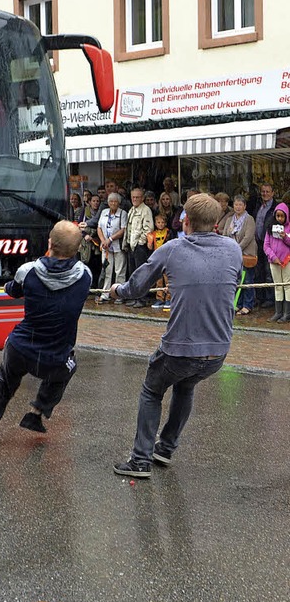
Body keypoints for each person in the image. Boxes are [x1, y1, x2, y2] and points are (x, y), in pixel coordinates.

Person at [109, 193, 242, 478]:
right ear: (216, 222)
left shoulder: (172, 249)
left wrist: (116, 291)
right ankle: (165, 448)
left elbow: (135, 288)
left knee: (151, 390)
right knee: (186, 385)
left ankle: (140, 460)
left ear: (187, 222)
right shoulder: (233, 249)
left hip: (181, 349)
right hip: (218, 351)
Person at [0, 220, 91, 446]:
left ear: (49, 242)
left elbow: (13, 291)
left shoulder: (26, 271)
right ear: (76, 250)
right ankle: (37, 411)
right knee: (69, 365)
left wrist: (9, 286)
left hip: (21, 349)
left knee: (5, 379)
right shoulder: (85, 276)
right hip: (55, 358)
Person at [224, 195, 257, 316]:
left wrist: (237, 248)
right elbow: (225, 234)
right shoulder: (229, 219)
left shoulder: (249, 219)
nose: (238, 207)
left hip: (246, 253)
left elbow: (248, 237)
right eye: (236, 204)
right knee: (236, 279)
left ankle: (247, 305)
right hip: (232, 254)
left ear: (245, 206)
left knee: (247, 279)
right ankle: (238, 303)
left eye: (240, 205)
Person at [124, 187, 154, 307]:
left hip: (139, 246)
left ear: (142, 198)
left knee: (141, 273)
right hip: (131, 246)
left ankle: (141, 299)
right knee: (132, 273)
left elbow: (148, 229)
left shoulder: (145, 210)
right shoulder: (131, 210)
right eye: (133, 197)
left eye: (137, 197)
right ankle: (135, 296)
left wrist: (140, 242)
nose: (135, 199)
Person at [95, 192, 127, 304]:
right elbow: (99, 228)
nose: (113, 203)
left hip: (118, 246)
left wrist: (110, 239)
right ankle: (105, 294)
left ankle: (119, 294)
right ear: (108, 203)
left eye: (115, 201)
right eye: (111, 201)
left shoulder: (123, 213)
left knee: (119, 271)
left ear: (119, 203)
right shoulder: (104, 212)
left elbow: (123, 230)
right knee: (107, 270)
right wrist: (103, 240)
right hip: (106, 247)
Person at [263, 202, 290, 322]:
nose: (280, 218)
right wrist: (273, 257)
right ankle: (278, 312)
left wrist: (285, 237)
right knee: (277, 285)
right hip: (274, 261)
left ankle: (287, 313)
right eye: (277, 216)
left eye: (282, 216)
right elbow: (266, 245)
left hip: (287, 261)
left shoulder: (289, 228)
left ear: (286, 216)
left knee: (287, 286)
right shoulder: (270, 228)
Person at [254, 182, 277, 308]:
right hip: (257, 243)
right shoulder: (258, 205)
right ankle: (260, 297)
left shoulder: (276, 207)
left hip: (270, 244)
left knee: (269, 271)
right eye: (263, 191)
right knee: (259, 271)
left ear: (273, 193)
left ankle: (269, 298)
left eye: (268, 191)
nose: (265, 194)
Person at [147, 212, 171, 308]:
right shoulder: (153, 234)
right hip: (157, 258)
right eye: (158, 222)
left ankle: (169, 298)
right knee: (158, 280)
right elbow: (150, 246)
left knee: (167, 279)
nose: (160, 224)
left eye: (162, 222)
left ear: (165, 223)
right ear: (155, 223)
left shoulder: (168, 232)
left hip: (167, 258)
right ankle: (159, 298)